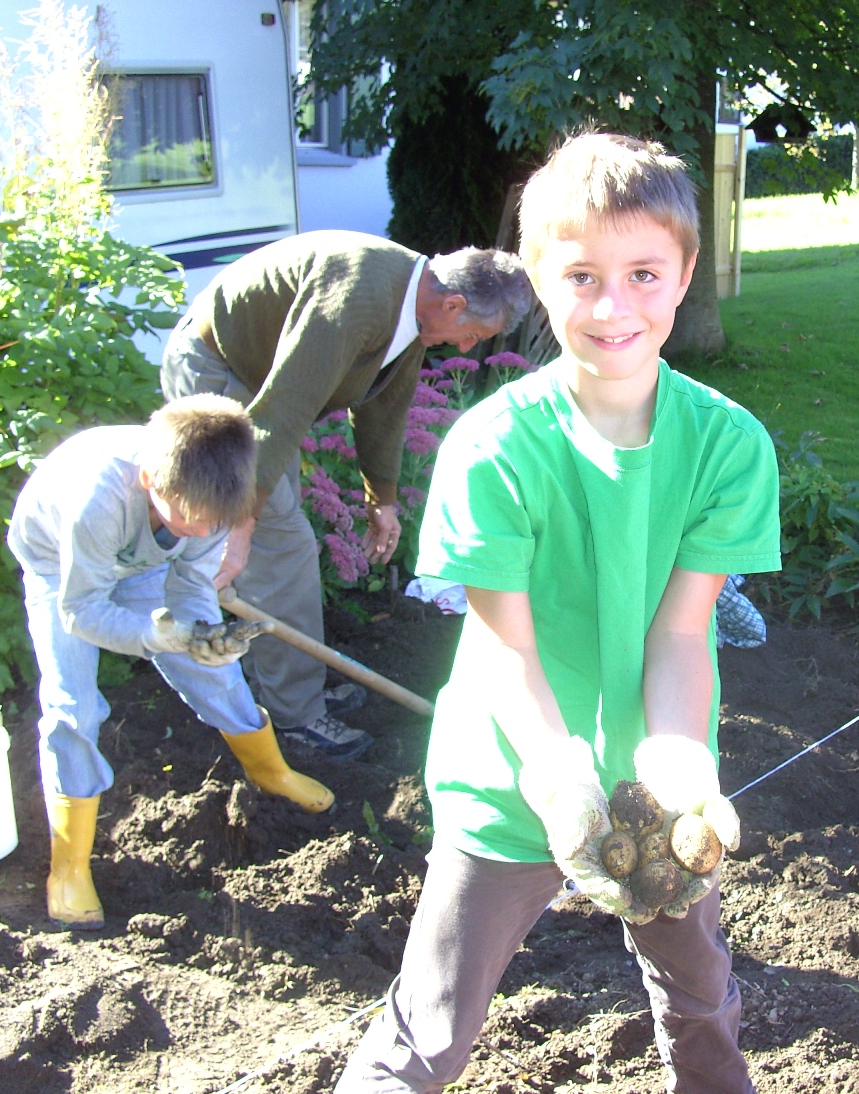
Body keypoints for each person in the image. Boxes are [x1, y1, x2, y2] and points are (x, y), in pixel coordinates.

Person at [336, 134, 780, 1093]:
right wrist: (552, 770)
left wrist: (677, 760)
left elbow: (680, 630)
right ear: (538, 280)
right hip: (510, 773)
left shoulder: (728, 445)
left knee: (701, 995)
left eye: (643, 274)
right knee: (430, 1030)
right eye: (581, 277)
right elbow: (508, 648)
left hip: (657, 793)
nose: (613, 306)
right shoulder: (493, 448)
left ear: (685, 274)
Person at [160, 232, 533, 760]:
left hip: (257, 378)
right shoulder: (357, 299)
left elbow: (385, 404)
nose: (467, 347)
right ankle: (296, 715)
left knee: (277, 537)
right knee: (280, 544)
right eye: (472, 333)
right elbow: (285, 409)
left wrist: (381, 500)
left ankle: (288, 686)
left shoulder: (412, 301)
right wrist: (239, 529)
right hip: (217, 369)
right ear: (452, 304)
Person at [8, 395, 335, 931]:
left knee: (215, 670)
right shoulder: (98, 500)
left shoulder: (208, 502)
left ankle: (271, 772)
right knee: (73, 706)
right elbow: (81, 610)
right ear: (148, 480)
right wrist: (152, 635)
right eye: (191, 518)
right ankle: (68, 867)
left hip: (142, 558)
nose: (203, 531)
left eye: (214, 523)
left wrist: (203, 635)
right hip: (59, 564)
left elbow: (191, 585)